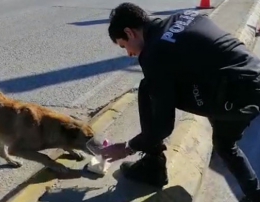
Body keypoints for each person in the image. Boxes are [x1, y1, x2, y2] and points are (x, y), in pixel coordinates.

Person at [100, 2, 260, 202]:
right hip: (253, 77)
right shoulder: (184, 17)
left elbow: (163, 127)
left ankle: (153, 166)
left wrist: (127, 147)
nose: (129, 53)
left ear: (129, 33)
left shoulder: (154, 54)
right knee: (224, 144)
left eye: (124, 46)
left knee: (150, 88)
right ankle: (254, 194)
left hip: (234, 94)